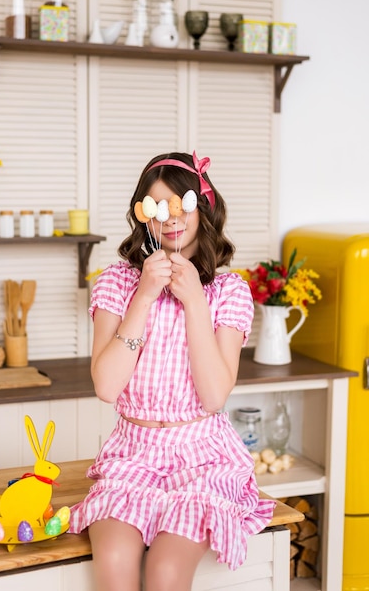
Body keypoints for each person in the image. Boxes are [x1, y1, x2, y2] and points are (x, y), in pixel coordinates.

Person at [69, 151, 276, 591]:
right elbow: (107, 385)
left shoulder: (227, 291)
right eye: (157, 207)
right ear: (144, 215)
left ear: (203, 206)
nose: (171, 220)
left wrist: (195, 303)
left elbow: (215, 396)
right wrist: (144, 297)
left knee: (165, 571)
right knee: (115, 557)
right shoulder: (118, 283)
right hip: (132, 456)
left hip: (202, 457)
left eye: (182, 204)